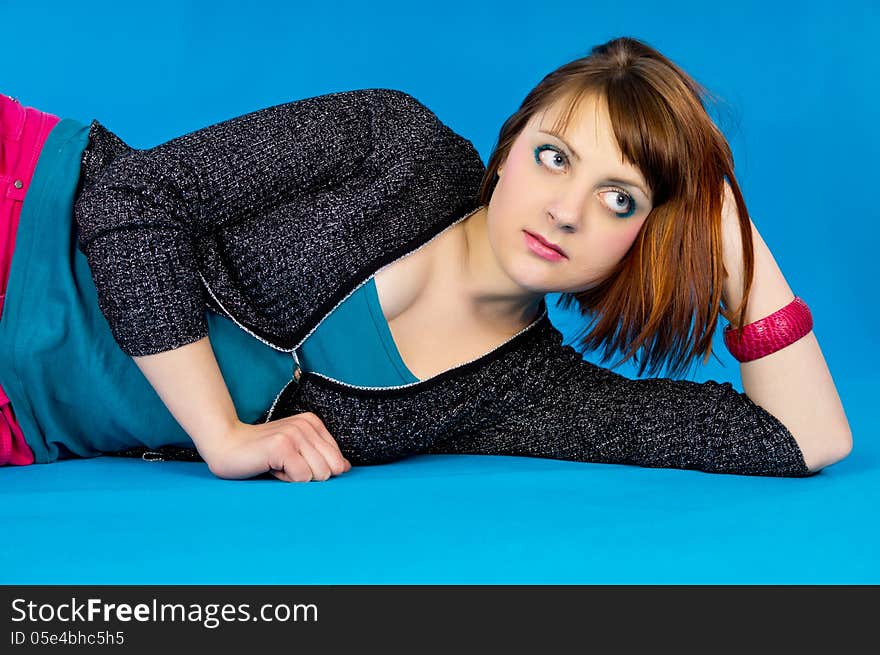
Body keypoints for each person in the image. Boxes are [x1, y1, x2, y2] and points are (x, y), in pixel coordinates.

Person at [0, 36, 852, 482]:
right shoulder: (395, 143)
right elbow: (132, 201)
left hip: (30, 418)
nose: (566, 208)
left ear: (643, 239)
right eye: (555, 156)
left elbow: (806, 439)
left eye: (619, 199)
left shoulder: (522, 390)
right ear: (511, 145)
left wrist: (733, 239)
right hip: (25, 215)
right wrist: (222, 435)